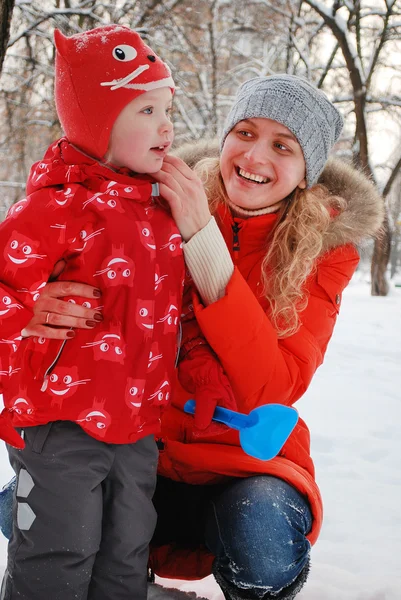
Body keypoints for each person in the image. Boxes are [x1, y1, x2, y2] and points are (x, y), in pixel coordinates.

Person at [0, 75, 384, 600]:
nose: (255, 155)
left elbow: (274, 385)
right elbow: (64, 265)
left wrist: (202, 238)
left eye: (282, 146)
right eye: (244, 132)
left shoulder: (327, 252)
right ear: (225, 138)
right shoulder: (152, 200)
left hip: (241, 467)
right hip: (142, 444)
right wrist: (35, 302)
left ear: (305, 171)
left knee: (263, 542)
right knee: (23, 508)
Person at [0, 23, 193, 600]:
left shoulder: (161, 214)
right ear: (98, 123)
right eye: (146, 110)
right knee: (60, 550)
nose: (167, 126)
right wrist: (26, 310)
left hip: (136, 424)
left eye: (168, 109)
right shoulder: (56, 206)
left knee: (126, 554)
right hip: (60, 421)